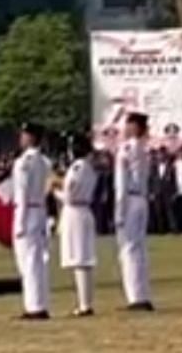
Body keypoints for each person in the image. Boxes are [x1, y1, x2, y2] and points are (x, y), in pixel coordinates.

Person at [114, 112, 154, 312]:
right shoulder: (143, 149)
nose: (125, 129)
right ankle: (142, 294)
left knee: (128, 249)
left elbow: (121, 184)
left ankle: (135, 298)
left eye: (128, 125)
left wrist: (119, 211)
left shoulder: (126, 149)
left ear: (134, 128)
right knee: (139, 249)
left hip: (129, 200)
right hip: (141, 199)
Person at [12, 122, 51, 320]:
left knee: (28, 262)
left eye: (24, 135)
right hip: (39, 211)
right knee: (36, 261)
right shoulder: (44, 162)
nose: (21, 138)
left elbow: (22, 194)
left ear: (30, 138)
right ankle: (38, 303)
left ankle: (34, 306)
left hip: (27, 213)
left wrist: (19, 222)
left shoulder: (23, 163)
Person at [56, 134, 99, 317]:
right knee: (83, 259)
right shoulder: (88, 167)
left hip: (75, 212)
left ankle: (84, 304)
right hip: (82, 211)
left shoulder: (77, 167)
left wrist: (54, 191)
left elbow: (69, 195)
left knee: (79, 259)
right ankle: (84, 302)